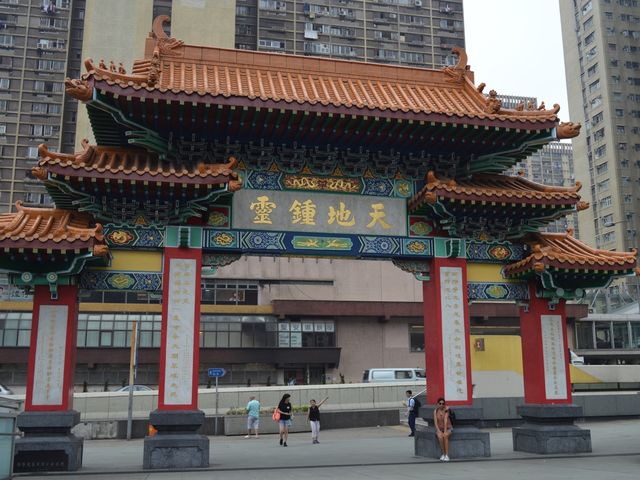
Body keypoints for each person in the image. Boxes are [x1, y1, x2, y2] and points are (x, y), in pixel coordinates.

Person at [433, 397, 451, 462]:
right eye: (440, 403)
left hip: (448, 428)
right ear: (437, 404)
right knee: (440, 437)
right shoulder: (435, 411)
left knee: (445, 436)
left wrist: (445, 431)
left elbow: (446, 420)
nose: (441, 405)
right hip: (439, 428)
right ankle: (443, 454)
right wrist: (438, 431)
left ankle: (447, 455)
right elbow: (435, 422)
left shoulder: (446, 409)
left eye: (443, 403)